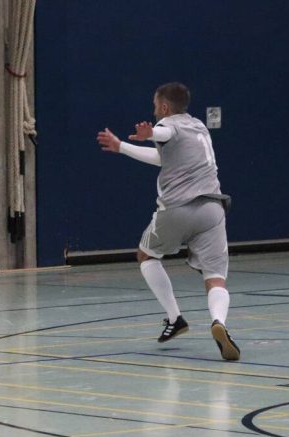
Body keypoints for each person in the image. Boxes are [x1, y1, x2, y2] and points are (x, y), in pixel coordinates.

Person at [96, 82, 240, 361]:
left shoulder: (168, 125)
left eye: (155, 106)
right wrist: (122, 147)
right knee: (215, 278)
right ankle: (219, 322)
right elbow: (163, 157)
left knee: (146, 255)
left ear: (164, 107)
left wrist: (150, 133)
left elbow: (164, 132)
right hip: (212, 209)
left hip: (177, 209)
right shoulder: (199, 127)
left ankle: (175, 318)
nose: (154, 111)